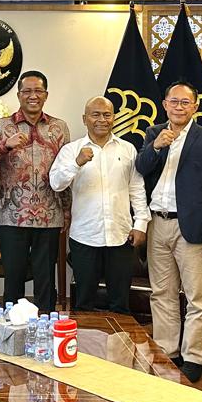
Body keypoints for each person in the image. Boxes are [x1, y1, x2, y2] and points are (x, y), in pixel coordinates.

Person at [135, 81, 202, 383]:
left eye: (185, 102)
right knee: (162, 293)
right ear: (164, 105)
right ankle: (167, 351)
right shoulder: (154, 133)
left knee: (197, 297)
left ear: (195, 107)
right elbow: (140, 168)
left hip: (193, 226)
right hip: (157, 223)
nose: (179, 107)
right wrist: (156, 147)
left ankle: (193, 357)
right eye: (174, 101)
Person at [0, 71, 70, 312]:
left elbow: (66, 170)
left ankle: (46, 325)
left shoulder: (59, 127)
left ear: (46, 95)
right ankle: (10, 328)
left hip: (49, 215)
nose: (32, 96)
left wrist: (67, 210)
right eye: (27, 91)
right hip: (12, 216)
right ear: (18, 95)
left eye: (38, 91)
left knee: (45, 281)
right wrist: (4, 145)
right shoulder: (2, 126)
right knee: (13, 279)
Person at [49, 96, 147, 314]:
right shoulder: (71, 150)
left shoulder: (127, 149)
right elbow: (56, 183)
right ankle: (85, 338)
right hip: (85, 236)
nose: (102, 119)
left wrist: (141, 223)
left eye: (107, 115)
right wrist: (77, 163)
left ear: (114, 118)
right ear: (85, 119)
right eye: (95, 115)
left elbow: (137, 188)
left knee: (120, 304)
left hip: (121, 236)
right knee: (84, 303)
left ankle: (119, 337)